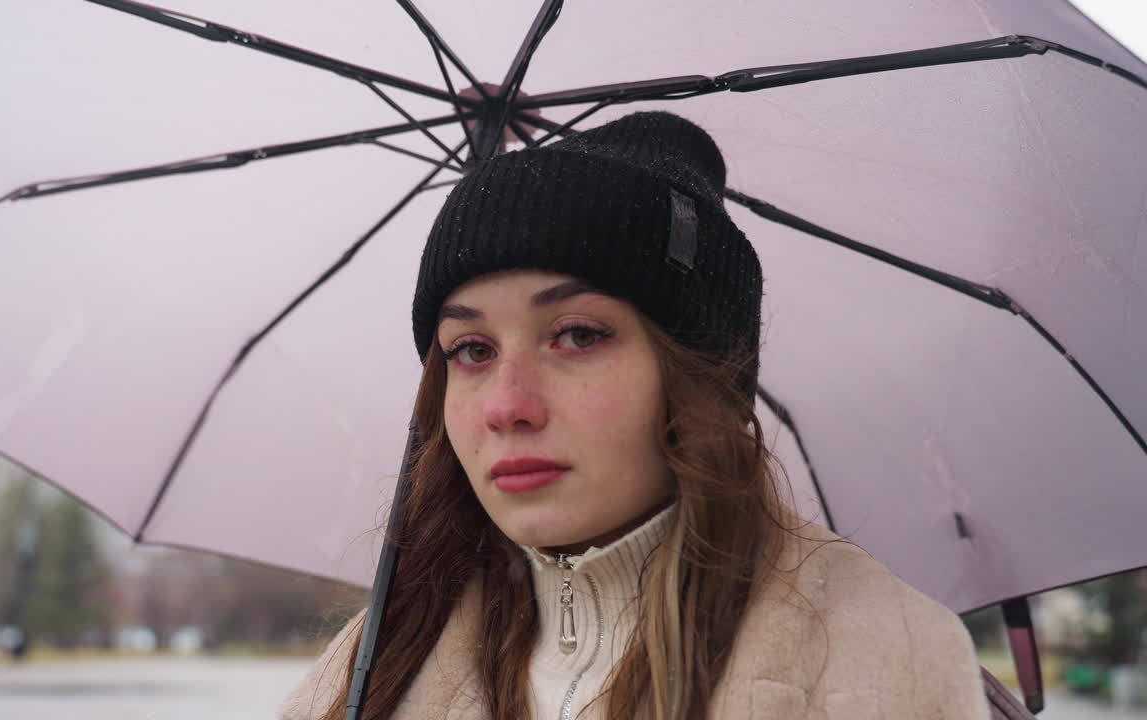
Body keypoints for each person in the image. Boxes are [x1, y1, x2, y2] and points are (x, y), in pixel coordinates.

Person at [279, 111, 989, 720]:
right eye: (470, 349)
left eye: (578, 335)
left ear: (699, 376)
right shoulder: (371, 666)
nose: (505, 406)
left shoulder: (890, 665)